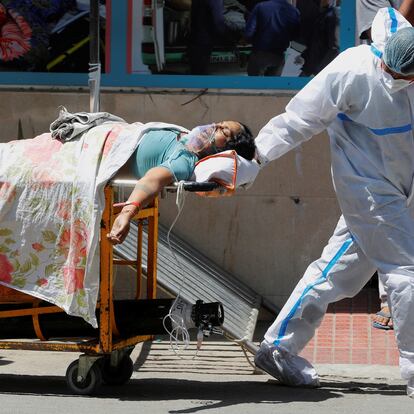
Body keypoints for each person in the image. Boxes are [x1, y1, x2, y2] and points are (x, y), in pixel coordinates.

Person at [253, 7, 414, 398]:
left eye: (403, 78)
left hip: (398, 188)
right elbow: (298, 120)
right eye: (390, 73)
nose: (393, 81)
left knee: (337, 271)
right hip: (367, 189)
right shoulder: (351, 70)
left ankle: (277, 347)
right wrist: (253, 159)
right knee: (407, 272)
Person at [107, 121, 255, 244]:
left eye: (224, 131)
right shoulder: (187, 139)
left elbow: (153, 179)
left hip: (105, 145)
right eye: (220, 123)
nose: (215, 126)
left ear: (225, 149)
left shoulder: (185, 161)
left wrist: (126, 213)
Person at [244, 0, 300, 76]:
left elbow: (248, 33)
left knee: (254, 85)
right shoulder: (294, 11)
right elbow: (295, 36)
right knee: (273, 86)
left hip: (259, 54)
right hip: (278, 56)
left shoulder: (260, 7)